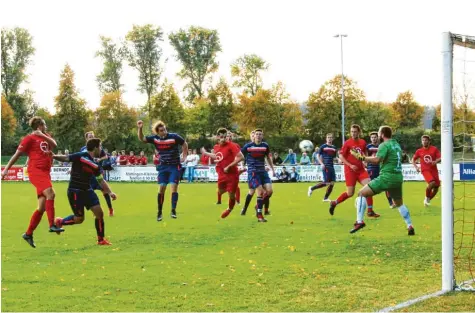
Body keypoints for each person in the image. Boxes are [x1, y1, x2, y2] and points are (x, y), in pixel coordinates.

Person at [1, 116, 64, 248]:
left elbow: (55, 145)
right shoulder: (29, 138)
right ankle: (52, 225)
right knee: (51, 194)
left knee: (41, 208)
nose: (46, 127)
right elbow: (17, 154)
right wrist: (6, 169)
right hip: (36, 171)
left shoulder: (46, 136)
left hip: (45, 173)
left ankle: (28, 234)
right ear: (39, 125)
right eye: (44, 124)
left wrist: (43, 135)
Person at [348, 126, 415, 235]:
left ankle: (359, 222)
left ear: (382, 134)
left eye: (379, 133)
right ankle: (409, 225)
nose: (378, 135)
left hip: (386, 177)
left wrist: (362, 158)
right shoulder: (396, 144)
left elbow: (377, 160)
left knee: (361, 194)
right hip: (398, 177)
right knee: (399, 204)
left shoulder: (384, 145)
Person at [53, 138, 118, 245]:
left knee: (99, 214)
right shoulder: (80, 156)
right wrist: (54, 156)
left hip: (88, 190)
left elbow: (100, 180)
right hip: (75, 191)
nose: (101, 149)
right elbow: (66, 158)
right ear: (96, 147)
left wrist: (110, 192)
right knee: (79, 219)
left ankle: (101, 240)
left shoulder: (95, 165)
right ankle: (60, 221)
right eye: (100, 147)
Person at [137, 120, 188, 221]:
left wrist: (184, 156)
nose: (164, 132)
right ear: (157, 132)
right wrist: (140, 128)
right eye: (161, 130)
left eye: (164, 129)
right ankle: (159, 212)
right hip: (163, 167)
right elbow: (142, 138)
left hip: (174, 166)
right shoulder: (155, 139)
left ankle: (173, 210)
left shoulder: (174, 136)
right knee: (161, 189)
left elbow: (184, 144)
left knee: (174, 188)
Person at [328, 125, 380, 218]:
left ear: (359, 132)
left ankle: (370, 211)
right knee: (350, 193)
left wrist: (365, 161)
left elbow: (364, 154)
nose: (353, 133)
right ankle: (334, 203)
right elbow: (341, 156)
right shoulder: (347, 143)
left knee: (369, 187)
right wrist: (350, 165)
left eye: (355, 131)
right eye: (352, 131)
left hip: (360, 170)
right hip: (350, 171)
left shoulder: (363, 142)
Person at [228, 129, 275, 222]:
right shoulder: (248, 146)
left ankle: (258, 205)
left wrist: (272, 168)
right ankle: (259, 214)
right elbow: (239, 156)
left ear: (262, 136)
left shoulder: (265, 146)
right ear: (254, 136)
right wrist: (240, 165)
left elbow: (268, 158)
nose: (258, 136)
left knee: (269, 191)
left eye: (260, 134)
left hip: (263, 171)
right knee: (259, 192)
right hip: (253, 172)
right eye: (257, 134)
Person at [201, 128, 242, 218]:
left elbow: (241, 157)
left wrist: (229, 166)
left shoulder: (231, 145)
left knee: (231, 194)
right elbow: (217, 156)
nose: (223, 139)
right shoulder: (216, 147)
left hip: (231, 174)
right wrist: (206, 153)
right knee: (220, 191)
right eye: (221, 137)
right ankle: (231, 188)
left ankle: (229, 209)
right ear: (217, 137)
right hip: (222, 174)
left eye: (225, 136)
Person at [81, 131, 114, 217]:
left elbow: (105, 156)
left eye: (92, 136)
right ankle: (94, 211)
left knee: (104, 191)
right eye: (89, 137)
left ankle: (110, 209)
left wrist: (99, 159)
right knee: (89, 193)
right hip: (88, 175)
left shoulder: (98, 148)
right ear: (86, 138)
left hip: (97, 172)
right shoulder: (83, 149)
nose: (91, 138)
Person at [366, 132, 395, 208]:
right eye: (372, 137)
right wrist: (365, 164)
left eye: (375, 137)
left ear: (378, 137)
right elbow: (365, 156)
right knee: (369, 187)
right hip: (371, 169)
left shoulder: (382, 146)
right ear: (370, 138)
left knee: (387, 185)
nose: (373, 138)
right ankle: (366, 204)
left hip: (381, 168)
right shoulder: (368, 146)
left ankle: (391, 203)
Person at [412, 135, 441, 206]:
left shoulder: (434, 149)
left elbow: (440, 158)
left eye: (426, 140)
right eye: (423, 140)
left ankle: (427, 200)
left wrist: (436, 161)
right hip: (425, 170)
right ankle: (427, 198)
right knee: (432, 183)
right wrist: (416, 167)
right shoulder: (419, 151)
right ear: (421, 142)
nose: (424, 142)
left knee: (436, 188)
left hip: (434, 170)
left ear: (429, 141)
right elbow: (413, 159)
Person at [308, 133, 336, 201]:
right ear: (326, 138)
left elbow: (334, 157)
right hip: (325, 166)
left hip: (332, 167)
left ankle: (325, 198)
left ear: (332, 139)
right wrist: (321, 164)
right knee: (326, 183)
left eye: (331, 137)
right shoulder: (323, 146)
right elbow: (317, 156)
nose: (329, 138)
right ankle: (311, 188)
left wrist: (339, 159)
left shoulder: (334, 148)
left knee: (332, 183)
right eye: (328, 137)